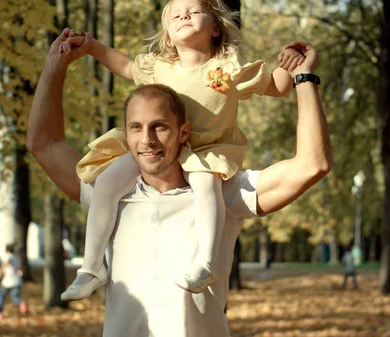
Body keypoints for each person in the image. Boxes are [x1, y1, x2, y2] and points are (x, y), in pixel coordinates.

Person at [26, 28, 330, 337]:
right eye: (136, 128)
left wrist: (303, 79)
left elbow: (312, 165)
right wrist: (56, 62)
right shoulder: (109, 192)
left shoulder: (225, 192)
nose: (147, 140)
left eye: (159, 127)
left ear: (183, 132)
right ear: (126, 134)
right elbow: (44, 144)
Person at [58, 0, 306, 301]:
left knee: (205, 185)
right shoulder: (159, 68)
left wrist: (293, 61)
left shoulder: (227, 70)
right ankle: (91, 267)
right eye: (176, 14)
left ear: (216, 28)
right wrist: (92, 46)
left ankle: (206, 262)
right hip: (159, 149)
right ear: (167, 34)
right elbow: (123, 65)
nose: (184, 15)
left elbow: (278, 87)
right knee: (107, 181)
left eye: (194, 11)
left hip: (205, 151)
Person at [0, 243, 28, 320]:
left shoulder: (7, 256)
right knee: (15, 297)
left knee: (1, 296)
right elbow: (20, 270)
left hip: (8, 281)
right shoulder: (17, 258)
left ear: (6, 250)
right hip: (17, 280)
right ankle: (21, 303)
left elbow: (6, 262)